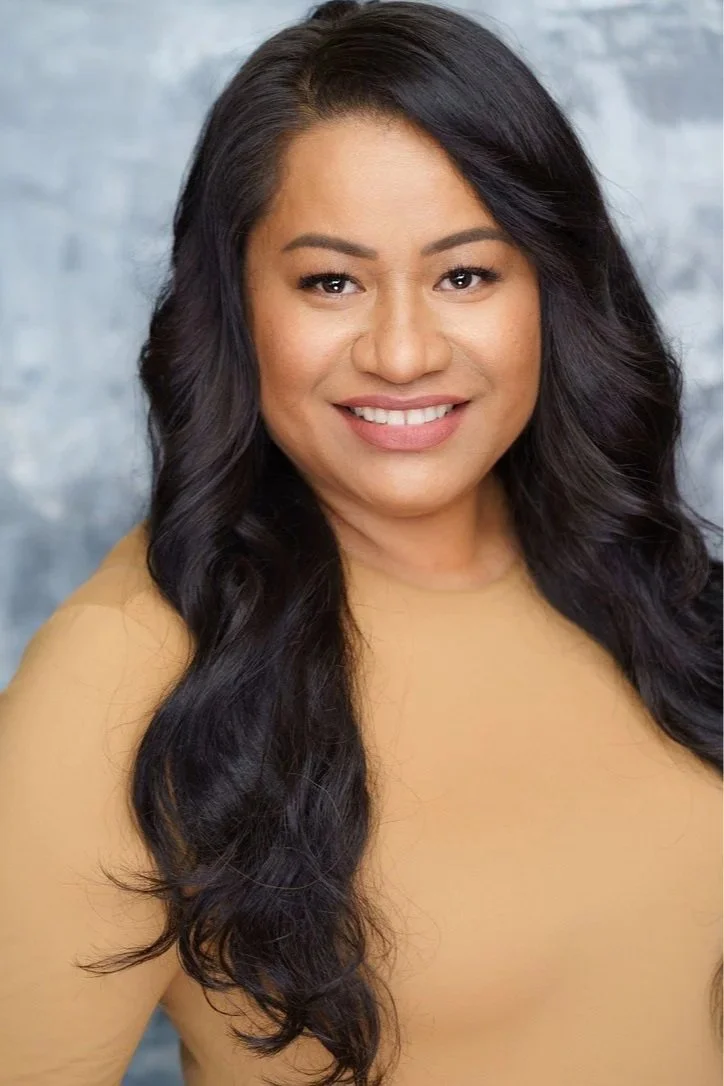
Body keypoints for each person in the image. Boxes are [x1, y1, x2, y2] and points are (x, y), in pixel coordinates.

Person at [0, 1, 721, 1083]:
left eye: (465, 274)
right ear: (240, 311)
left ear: (553, 292)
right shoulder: (120, 673)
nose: (399, 350)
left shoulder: (649, 581)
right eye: (329, 281)